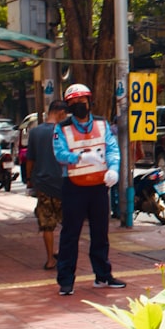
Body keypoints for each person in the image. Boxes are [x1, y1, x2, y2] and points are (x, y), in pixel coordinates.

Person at [52, 84, 125, 296]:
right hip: (74, 187)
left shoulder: (102, 124)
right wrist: (80, 157)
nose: (79, 106)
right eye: (73, 104)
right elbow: (59, 154)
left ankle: (103, 276)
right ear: (68, 106)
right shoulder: (62, 128)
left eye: (82, 102)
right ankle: (66, 281)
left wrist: (113, 169)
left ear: (89, 101)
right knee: (70, 235)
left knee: (100, 233)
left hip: (99, 186)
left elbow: (112, 148)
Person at [27, 100, 68, 270]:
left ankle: (50, 259)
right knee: (69, 223)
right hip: (64, 184)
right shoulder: (64, 132)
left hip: (43, 185)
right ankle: (65, 254)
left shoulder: (35, 132)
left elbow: (30, 159)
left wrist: (29, 179)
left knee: (47, 225)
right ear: (60, 113)